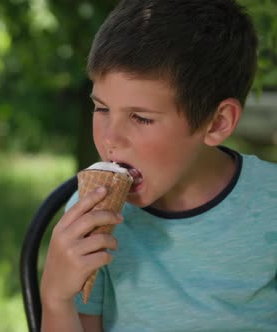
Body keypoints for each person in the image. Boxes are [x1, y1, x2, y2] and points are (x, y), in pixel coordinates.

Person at [40, 0, 277, 331]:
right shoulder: (88, 218)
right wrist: (55, 297)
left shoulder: (270, 207)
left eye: (140, 117)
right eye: (102, 108)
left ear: (216, 123)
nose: (112, 138)